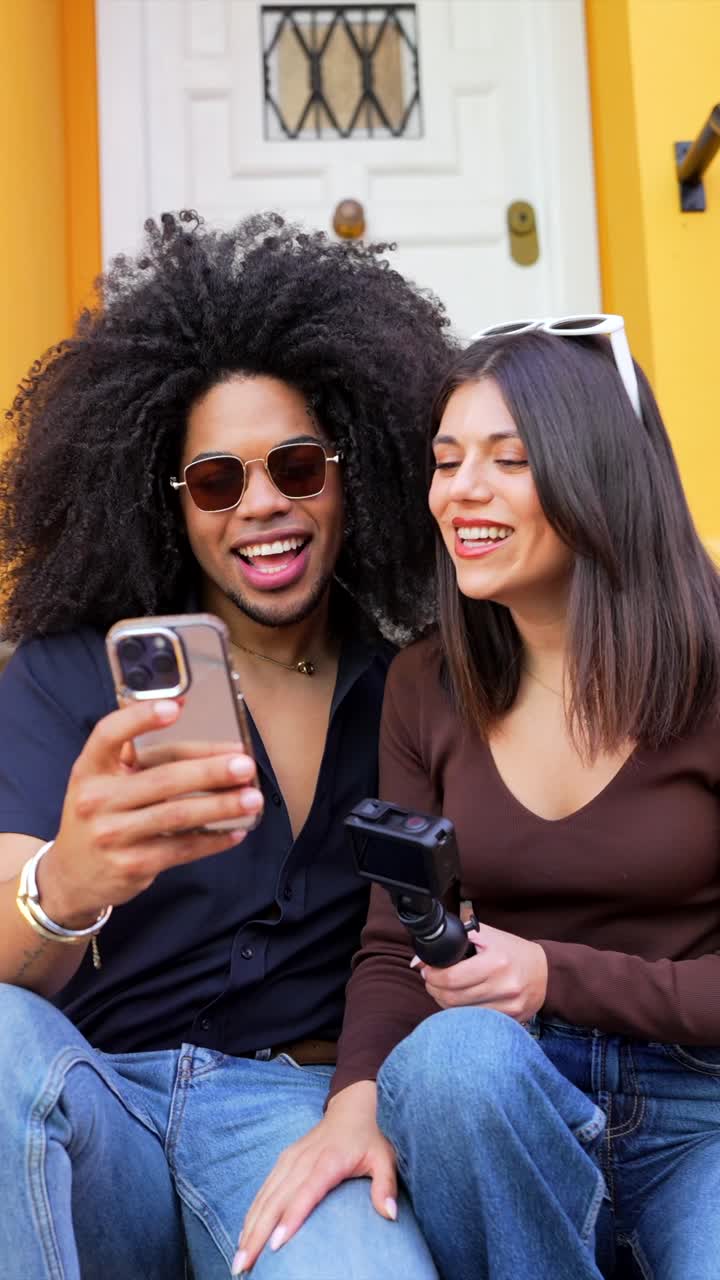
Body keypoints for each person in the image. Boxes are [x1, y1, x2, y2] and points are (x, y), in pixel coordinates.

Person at [0, 210, 454, 1279]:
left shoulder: (410, 692)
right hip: (90, 1100)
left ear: (357, 473)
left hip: (293, 1122)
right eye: (217, 480)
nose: (263, 505)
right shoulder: (70, 674)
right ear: (171, 503)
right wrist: (67, 881)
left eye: (297, 465)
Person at [236, 316, 720, 1280]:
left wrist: (555, 976)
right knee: (453, 1060)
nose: (461, 491)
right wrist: (352, 1105)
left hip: (700, 1109)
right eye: (446, 460)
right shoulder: (427, 684)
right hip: (500, 1104)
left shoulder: (711, 669)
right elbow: (389, 941)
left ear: (599, 474)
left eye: (508, 460)